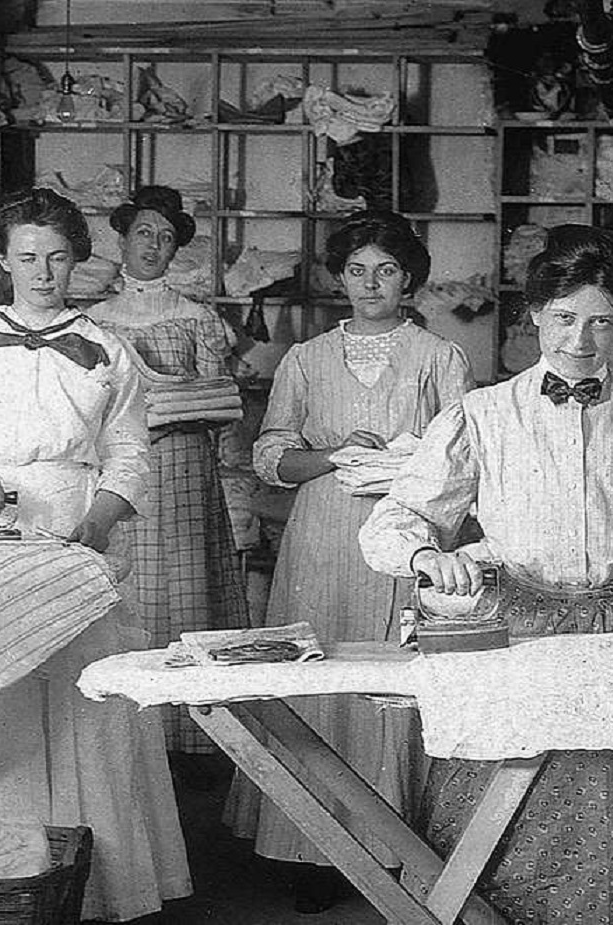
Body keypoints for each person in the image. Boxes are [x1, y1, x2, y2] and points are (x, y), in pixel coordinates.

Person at [359, 224, 613, 923]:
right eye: (564, 318)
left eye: (601, 321)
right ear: (534, 314)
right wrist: (428, 556)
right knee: (501, 822)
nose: (579, 340)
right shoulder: (480, 415)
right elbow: (394, 521)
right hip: (515, 634)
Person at [0, 187, 191, 922]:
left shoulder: (107, 350)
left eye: (57, 258)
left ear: (76, 263)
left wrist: (98, 519)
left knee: (74, 698)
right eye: (26, 257)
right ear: (2, 261)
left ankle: (88, 884)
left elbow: (129, 454)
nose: (41, 272)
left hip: (71, 532)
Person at [225, 209, 473, 911]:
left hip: (405, 530)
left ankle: (400, 843)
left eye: (387, 271)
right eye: (357, 271)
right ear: (339, 278)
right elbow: (270, 456)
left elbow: (461, 460)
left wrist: (399, 455)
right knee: (321, 673)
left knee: (394, 676)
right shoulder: (303, 359)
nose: (371, 284)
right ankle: (308, 846)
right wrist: (333, 454)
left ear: (409, 280)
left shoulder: (439, 358)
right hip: (321, 534)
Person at [85, 184, 249, 763]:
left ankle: (190, 746)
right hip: (118, 472)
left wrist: (164, 402)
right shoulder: (92, 320)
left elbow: (221, 404)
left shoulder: (195, 317)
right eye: (142, 234)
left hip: (180, 468)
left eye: (164, 236)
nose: (153, 245)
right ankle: (128, 741)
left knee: (184, 595)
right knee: (125, 589)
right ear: (122, 239)